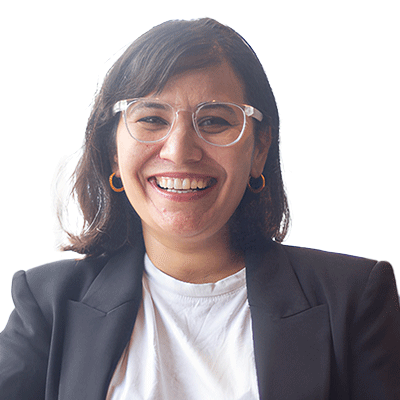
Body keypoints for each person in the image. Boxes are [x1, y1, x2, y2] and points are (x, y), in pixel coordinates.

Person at [0, 18, 399, 400]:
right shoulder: (47, 304)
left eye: (214, 121)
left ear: (259, 150)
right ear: (113, 153)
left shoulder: (353, 300)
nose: (179, 151)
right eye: (152, 118)